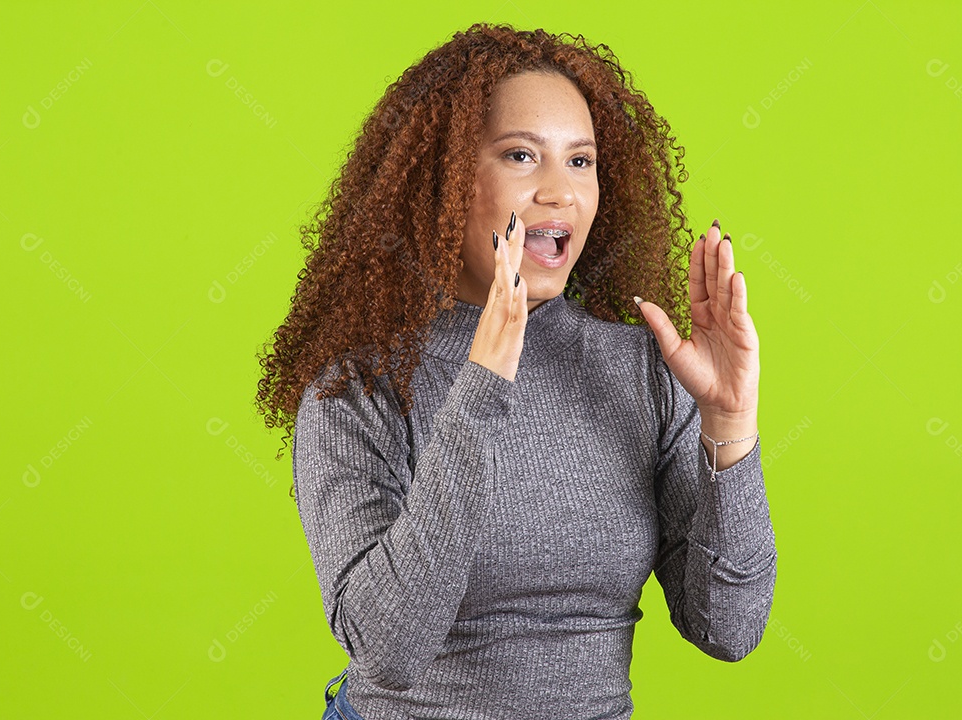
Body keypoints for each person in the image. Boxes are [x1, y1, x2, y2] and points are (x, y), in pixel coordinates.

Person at [255, 22, 777, 720]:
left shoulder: (643, 369)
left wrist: (730, 423)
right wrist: (482, 384)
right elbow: (388, 649)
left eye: (581, 161)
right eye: (522, 156)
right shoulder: (359, 386)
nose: (560, 192)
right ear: (442, 179)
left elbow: (728, 629)